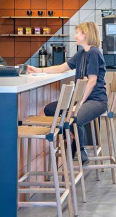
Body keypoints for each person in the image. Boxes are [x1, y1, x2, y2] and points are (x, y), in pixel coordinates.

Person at [28, 22, 108, 162]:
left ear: (85, 34)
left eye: (78, 32)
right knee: (50, 109)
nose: (75, 36)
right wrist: (39, 70)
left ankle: (78, 150)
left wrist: (78, 104)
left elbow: (92, 81)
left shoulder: (94, 52)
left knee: (75, 118)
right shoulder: (81, 53)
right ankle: (71, 140)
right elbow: (61, 68)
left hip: (97, 100)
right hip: (85, 99)